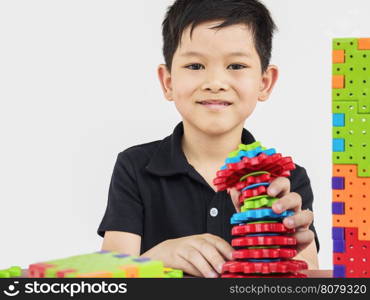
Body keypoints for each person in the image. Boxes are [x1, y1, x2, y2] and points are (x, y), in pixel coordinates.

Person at [98, 0, 319, 277]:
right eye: (195, 66)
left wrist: (286, 247)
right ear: (168, 82)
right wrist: (155, 257)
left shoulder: (288, 178)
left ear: (265, 82)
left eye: (236, 65)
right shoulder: (135, 166)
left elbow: (311, 275)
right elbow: (107, 278)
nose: (215, 82)